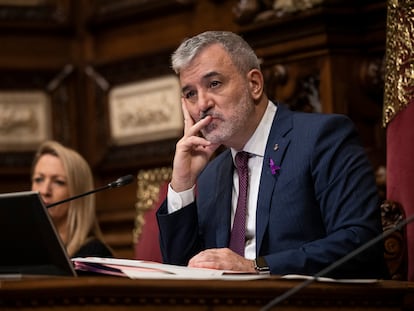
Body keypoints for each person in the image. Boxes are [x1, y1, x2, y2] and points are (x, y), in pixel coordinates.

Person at [156, 30, 387, 278]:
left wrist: (256, 267)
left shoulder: (322, 138)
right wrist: (183, 183)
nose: (202, 104)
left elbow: (359, 243)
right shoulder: (210, 175)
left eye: (214, 84)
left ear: (254, 84)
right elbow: (182, 273)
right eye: (190, 93)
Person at [31, 140, 113, 258]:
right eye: (39, 179)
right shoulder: (24, 247)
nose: (44, 191)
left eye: (58, 182)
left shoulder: (93, 255)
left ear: (78, 193)